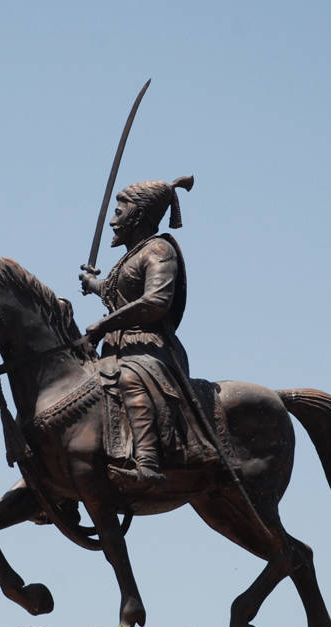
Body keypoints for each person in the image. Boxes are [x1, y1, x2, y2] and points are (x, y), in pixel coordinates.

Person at [79, 175, 215, 491]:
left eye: (119, 212)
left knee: (129, 379)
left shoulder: (159, 250)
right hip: (117, 346)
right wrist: (94, 285)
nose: (113, 221)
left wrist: (103, 325)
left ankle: (148, 461)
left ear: (138, 214)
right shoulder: (133, 254)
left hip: (150, 347)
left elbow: (155, 301)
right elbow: (117, 291)